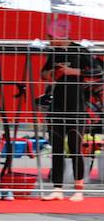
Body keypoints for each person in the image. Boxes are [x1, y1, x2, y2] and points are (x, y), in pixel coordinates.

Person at [40, 17, 102, 201]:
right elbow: (43, 74)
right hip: (57, 106)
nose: (50, 39)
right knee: (57, 148)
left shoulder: (80, 51)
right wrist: (52, 73)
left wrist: (71, 72)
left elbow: (98, 72)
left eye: (51, 36)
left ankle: (78, 188)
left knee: (75, 148)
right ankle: (57, 188)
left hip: (76, 107)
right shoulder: (55, 52)